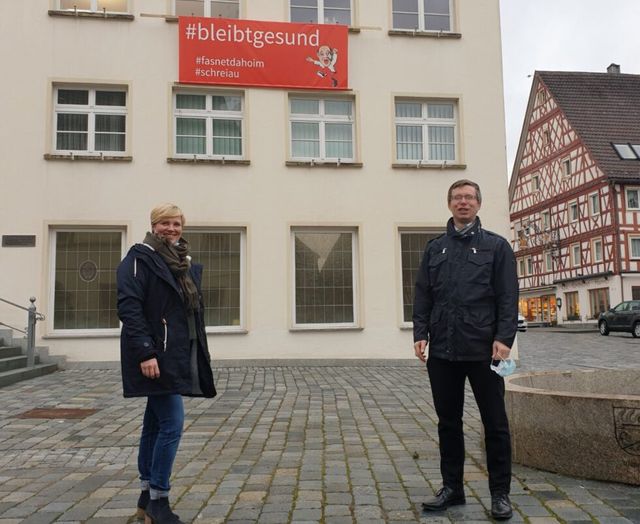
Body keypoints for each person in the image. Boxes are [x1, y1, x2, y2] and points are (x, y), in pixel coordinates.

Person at [412, 180, 518, 520]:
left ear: (478, 204)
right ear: (449, 204)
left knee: (495, 424)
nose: (463, 203)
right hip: (442, 350)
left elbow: (507, 296)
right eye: (457, 198)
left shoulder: (496, 247)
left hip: (485, 350)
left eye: (469, 197)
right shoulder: (435, 248)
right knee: (448, 423)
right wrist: (420, 332)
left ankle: (500, 494)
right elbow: (422, 295)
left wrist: (504, 338)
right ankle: (452, 489)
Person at [117, 203, 216, 524]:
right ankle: (159, 499)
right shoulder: (139, 258)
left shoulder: (179, 262)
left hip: (172, 352)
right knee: (172, 424)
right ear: (153, 225)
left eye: (176, 224)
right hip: (154, 354)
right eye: (165, 223)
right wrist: (145, 352)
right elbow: (129, 307)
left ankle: (146, 496)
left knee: (155, 424)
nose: (171, 229)